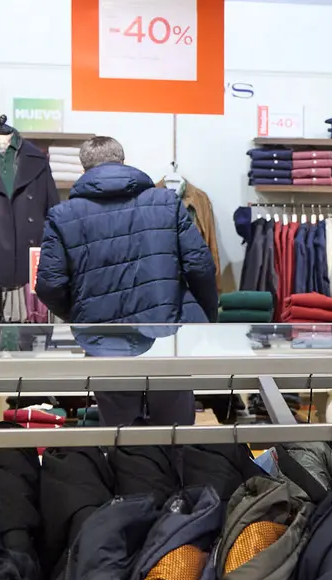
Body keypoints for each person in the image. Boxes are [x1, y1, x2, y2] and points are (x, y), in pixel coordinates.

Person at [36, 136, 218, 427]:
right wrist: (205, 319)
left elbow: (49, 285)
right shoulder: (166, 203)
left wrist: (81, 313)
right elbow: (200, 266)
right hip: (166, 337)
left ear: (84, 170)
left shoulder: (63, 215)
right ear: (123, 161)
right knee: (176, 433)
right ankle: (173, 472)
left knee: (120, 436)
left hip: (104, 341)